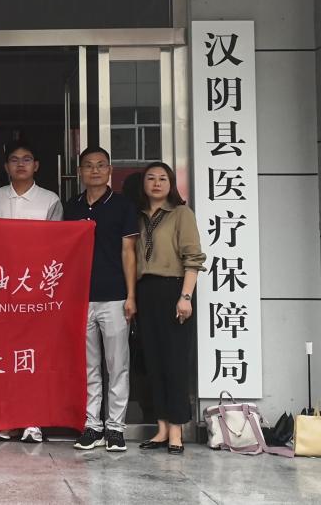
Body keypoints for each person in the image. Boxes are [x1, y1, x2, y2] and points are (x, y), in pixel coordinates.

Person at [0, 140, 62, 443]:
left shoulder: (50, 199)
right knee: (3, 356)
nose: (20, 164)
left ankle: (33, 420)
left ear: (36, 165)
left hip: (35, 290)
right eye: (14, 160)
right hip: (2, 289)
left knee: (33, 356)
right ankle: (6, 418)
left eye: (26, 159)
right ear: (6, 166)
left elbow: (57, 245)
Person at [64, 148, 139, 453]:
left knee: (117, 365)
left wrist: (131, 295)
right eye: (88, 166)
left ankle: (116, 428)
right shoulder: (72, 207)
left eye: (100, 165)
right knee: (88, 367)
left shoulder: (122, 206)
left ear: (110, 170)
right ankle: (92, 425)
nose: (94, 171)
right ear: (80, 172)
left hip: (114, 296)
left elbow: (128, 252)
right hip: (80, 299)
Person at [134, 162, 206, 455]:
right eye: (150, 178)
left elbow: (193, 258)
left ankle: (176, 431)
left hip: (174, 290)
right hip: (145, 291)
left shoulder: (181, 214)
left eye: (163, 178)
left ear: (171, 183)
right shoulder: (138, 216)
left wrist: (185, 296)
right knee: (153, 362)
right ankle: (161, 428)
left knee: (175, 363)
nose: (156, 183)